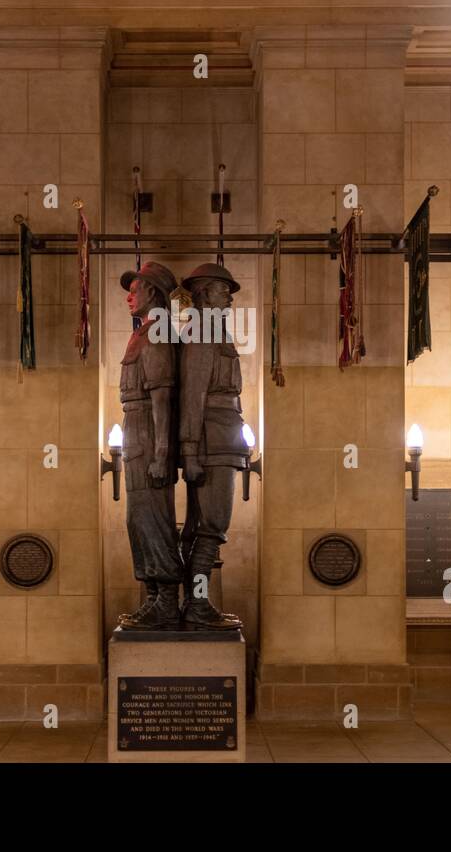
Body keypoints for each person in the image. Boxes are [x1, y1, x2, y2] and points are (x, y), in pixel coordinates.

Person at [177, 263, 245, 631]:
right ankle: (198, 604)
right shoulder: (202, 331)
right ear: (203, 294)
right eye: (223, 290)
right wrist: (189, 450)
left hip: (223, 439)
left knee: (203, 527)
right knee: (212, 526)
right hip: (211, 442)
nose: (230, 297)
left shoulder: (215, 331)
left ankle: (194, 602)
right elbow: (192, 395)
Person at [117, 262, 184, 630]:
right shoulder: (143, 333)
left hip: (147, 431)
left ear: (154, 293)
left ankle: (168, 602)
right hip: (135, 429)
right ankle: (156, 597)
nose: (130, 295)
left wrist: (161, 455)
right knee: (136, 519)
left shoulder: (158, 333)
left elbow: (162, 398)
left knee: (152, 519)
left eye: (136, 288)